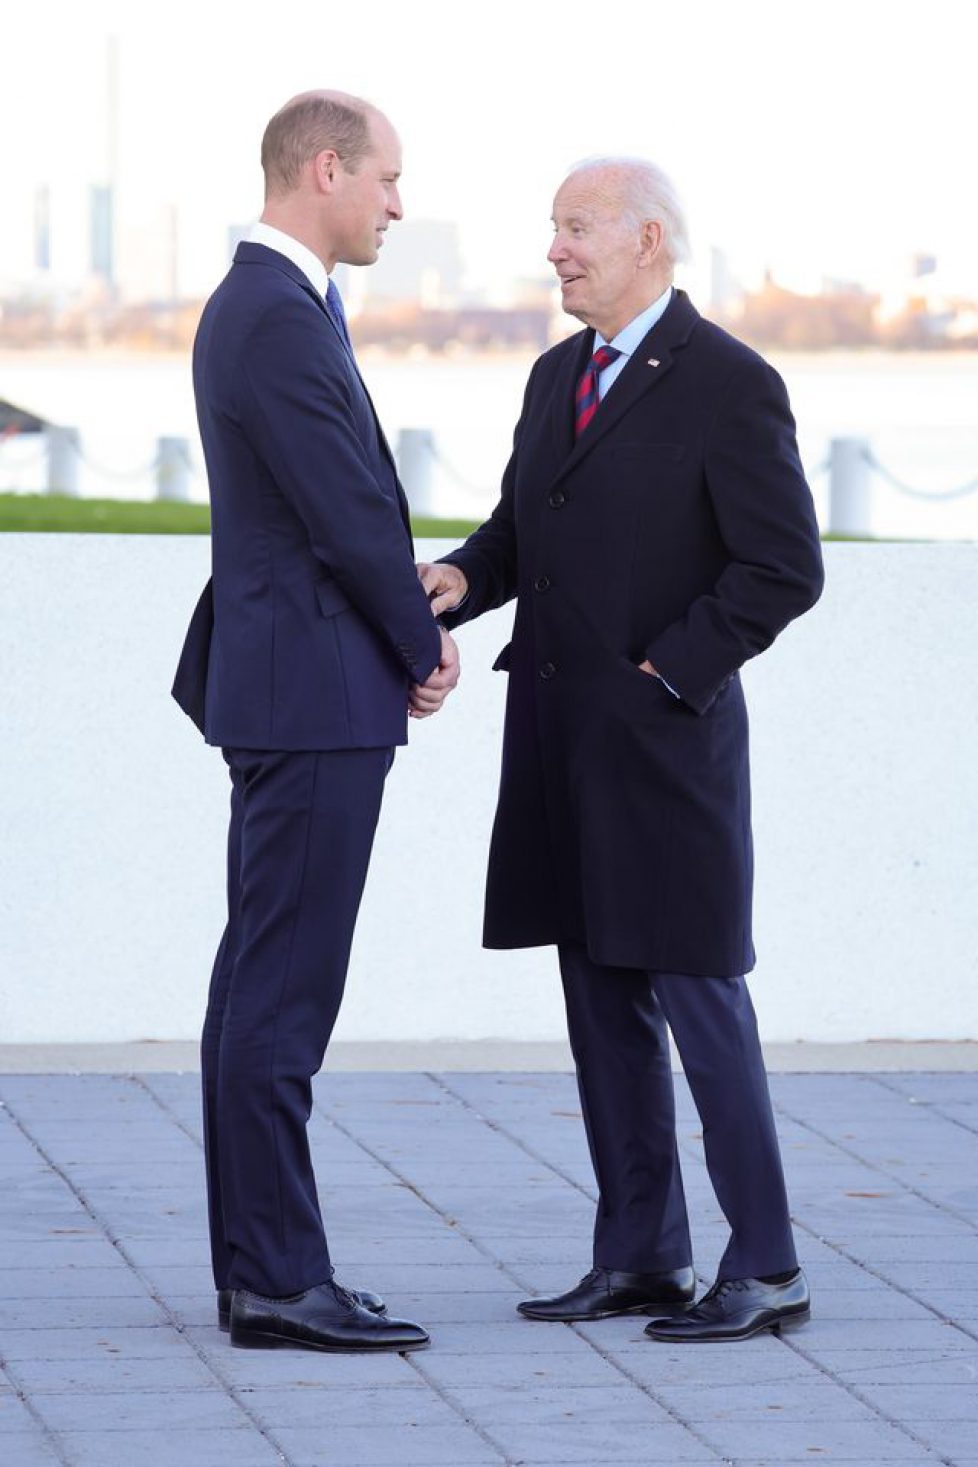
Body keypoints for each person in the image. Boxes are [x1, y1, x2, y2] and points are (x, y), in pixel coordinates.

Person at [419, 157, 824, 1343]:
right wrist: (461, 578)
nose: (555, 249)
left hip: (667, 750)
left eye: (576, 228)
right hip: (560, 746)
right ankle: (642, 1255)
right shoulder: (556, 378)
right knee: (600, 1007)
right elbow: (519, 529)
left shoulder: (729, 383)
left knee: (703, 998)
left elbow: (783, 568)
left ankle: (769, 1262)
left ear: (650, 240)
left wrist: (668, 673)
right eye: (553, 229)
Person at [172, 90, 458, 1353]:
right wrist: (424, 640)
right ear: (326, 169)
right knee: (283, 994)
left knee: (262, 983)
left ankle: (263, 1268)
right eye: (389, 180)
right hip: (313, 697)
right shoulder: (274, 314)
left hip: (295, 690)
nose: (399, 205)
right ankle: (281, 1279)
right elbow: (345, 510)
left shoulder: (275, 307)